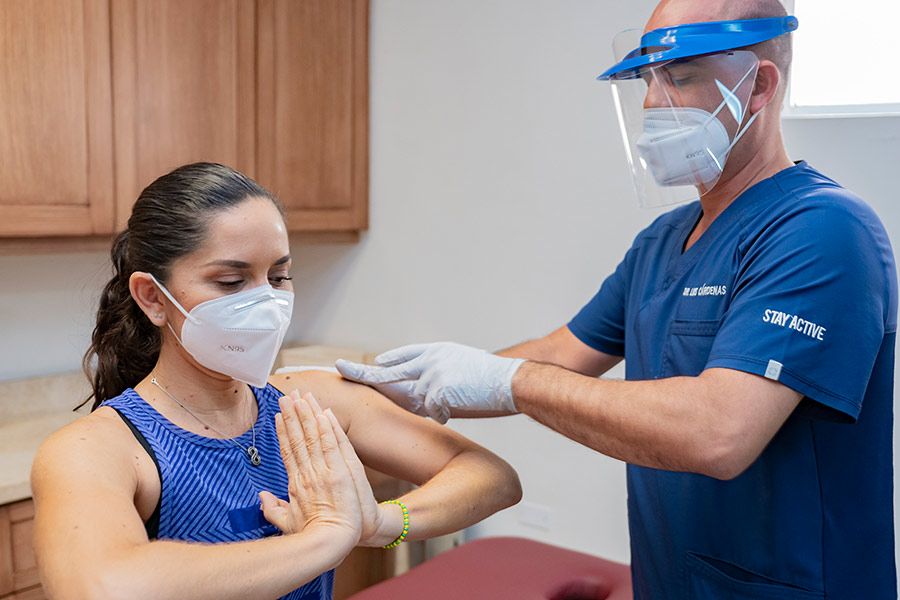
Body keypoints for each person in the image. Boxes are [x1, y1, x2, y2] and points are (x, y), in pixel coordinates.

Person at [335, 1, 898, 598]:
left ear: (758, 86)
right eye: (647, 80)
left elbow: (719, 433)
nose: (653, 102)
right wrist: (409, 388)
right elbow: (561, 354)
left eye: (680, 77)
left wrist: (508, 380)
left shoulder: (820, 229)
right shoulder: (662, 241)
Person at [30, 162, 522, 600]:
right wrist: (326, 538)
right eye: (231, 282)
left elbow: (493, 477)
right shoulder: (98, 448)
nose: (266, 303)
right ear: (153, 298)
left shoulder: (308, 402)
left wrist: (379, 522)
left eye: (279, 276)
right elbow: (102, 586)